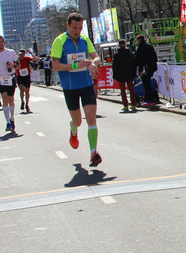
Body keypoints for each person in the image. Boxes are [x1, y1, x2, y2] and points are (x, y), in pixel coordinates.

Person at [50, 12, 103, 167]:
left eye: (80, 28)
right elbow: (55, 66)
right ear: (68, 25)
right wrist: (75, 65)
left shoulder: (85, 39)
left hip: (86, 85)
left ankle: (93, 153)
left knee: (91, 118)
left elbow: (96, 57)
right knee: (78, 121)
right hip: (70, 88)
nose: (77, 31)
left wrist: (93, 62)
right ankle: (73, 129)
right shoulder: (59, 41)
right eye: (74, 28)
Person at [0, 36, 19, 133]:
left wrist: (12, 66)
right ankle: (8, 122)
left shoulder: (11, 52)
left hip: (10, 77)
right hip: (0, 78)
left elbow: (18, 65)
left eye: (2, 41)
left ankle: (12, 118)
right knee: (4, 98)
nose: (0, 43)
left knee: (11, 99)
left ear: (4, 43)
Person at [111, 38, 137, 111]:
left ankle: (125, 105)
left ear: (119, 45)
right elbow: (134, 65)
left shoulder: (117, 55)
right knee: (131, 89)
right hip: (129, 74)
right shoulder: (130, 54)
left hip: (120, 75)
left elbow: (114, 67)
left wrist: (114, 76)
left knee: (123, 91)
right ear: (125, 45)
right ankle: (133, 104)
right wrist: (134, 74)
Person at [134, 35, 158, 106]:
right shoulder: (150, 46)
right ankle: (148, 99)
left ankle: (150, 100)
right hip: (151, 68)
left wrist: (140, 70)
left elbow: (140, 60)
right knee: (148, 83)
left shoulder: (140, 48)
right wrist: (154, 68)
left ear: (139, 40)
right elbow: (155, 57)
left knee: (146, 84)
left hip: (145, 69)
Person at [15, 48, 35, 113]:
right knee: (22, 90)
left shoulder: (27, 58)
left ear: (24, 54)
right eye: (19, 54)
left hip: (26, 76)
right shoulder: (17, 60)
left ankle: (27, 104)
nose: (20, 55)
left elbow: (35, 59)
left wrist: (31, 53)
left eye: (22, 54)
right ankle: (22, 101)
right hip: (20, 76)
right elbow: (14, 67)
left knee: (27, 92)